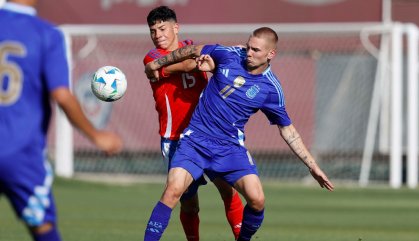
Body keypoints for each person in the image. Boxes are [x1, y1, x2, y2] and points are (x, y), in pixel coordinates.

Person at [143, 27, 335, 241]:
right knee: (172, 191)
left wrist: (312, 166)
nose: (248, 52)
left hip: (229, 148)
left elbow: (288, 130)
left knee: (257, 199)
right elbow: (194, 50)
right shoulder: (228, 55)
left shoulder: (271, 89)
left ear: (271, 54)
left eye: (255, 50)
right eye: (248, 46)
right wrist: (157, 63)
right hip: (195, 141)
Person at [0, 1, 123, 241]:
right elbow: (61, 95)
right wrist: (97, 136)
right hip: (20, 154)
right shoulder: (46, 34)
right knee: (43, 229)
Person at [143, 6, 243, 241]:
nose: (158, 35)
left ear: (176, 27)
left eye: (162, 28)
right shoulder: (152, 58)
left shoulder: (191, 47)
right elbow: (190, 64)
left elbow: (206, 61)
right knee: (188, 204)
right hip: (176, 138)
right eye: (153, 30)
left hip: (207, 133)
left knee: (227, 191)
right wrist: (213, 55)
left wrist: (228, 55)